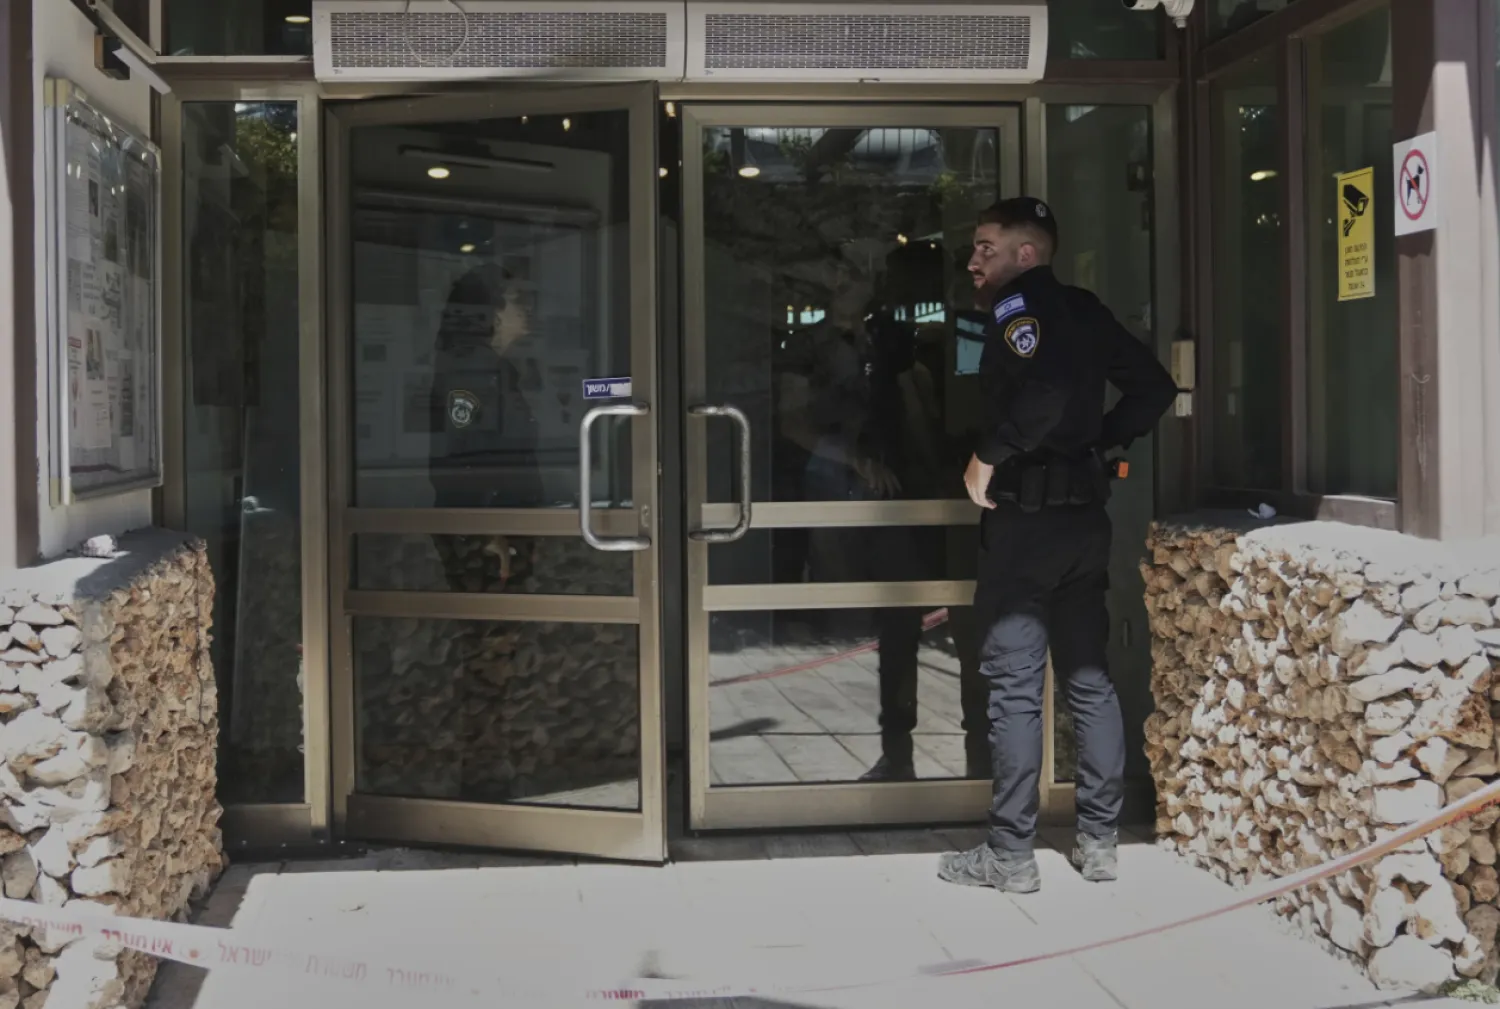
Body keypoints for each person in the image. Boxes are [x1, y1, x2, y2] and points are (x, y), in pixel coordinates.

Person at [937, 197, 1177, 892]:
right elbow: (1153, 388)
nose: (975, 258)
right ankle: (1099, 842)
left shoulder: (1018, 312)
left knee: (1015, 687)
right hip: (1083, 524)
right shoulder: (1085, 308)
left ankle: (1010, 855)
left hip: (1027, 525)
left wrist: (987, 456)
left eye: (987, 246)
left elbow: (1041, 396)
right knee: (1088, 676)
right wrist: (1101, 441)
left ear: (1027, 254)